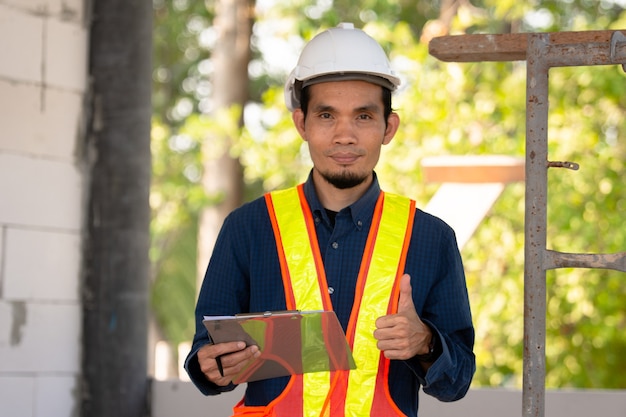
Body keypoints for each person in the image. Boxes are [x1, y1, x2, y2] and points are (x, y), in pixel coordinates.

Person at [185, 22, 475, 417]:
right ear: (301, 123)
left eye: (363, 117)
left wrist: (424, 341)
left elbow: (457, 381)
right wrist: (215, 365)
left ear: (388, 127)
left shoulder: (430, 238)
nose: (344, 136)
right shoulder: (249, 229)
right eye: (326, 116)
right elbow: (206, 355)